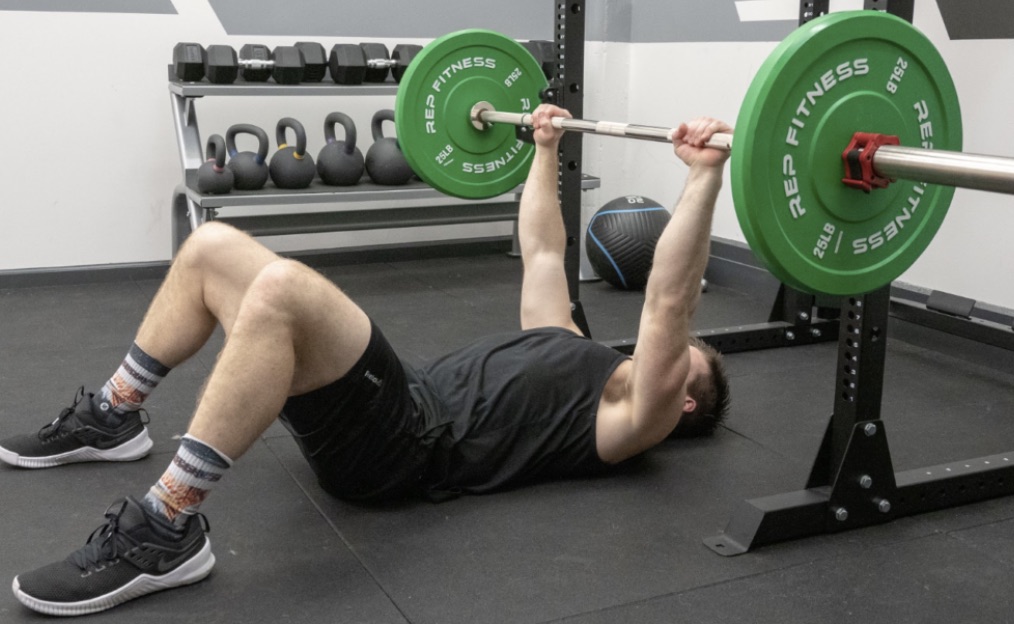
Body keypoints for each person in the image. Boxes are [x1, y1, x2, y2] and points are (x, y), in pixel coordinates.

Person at [1, 105, 732, 616]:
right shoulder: (569, 342)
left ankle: (167, 523)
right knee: (212, 248)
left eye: (684, 362)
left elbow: (668, 306)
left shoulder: (634, 417)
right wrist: (545, 149)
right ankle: (115, 414)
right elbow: (544, 247)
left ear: (684, 402)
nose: (665, 352)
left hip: (404, 450)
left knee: (284, 288)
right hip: (398, 398)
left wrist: (702, 177)